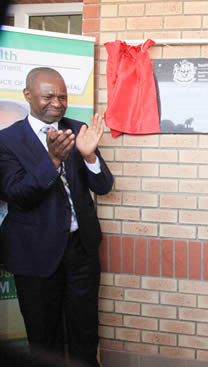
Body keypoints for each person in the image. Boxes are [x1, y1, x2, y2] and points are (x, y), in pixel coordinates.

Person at [0, 67, 113, 367]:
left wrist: (89, 156)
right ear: (27, 95)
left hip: (81, 250)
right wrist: (52, 161)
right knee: (43, 335)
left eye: (62, 96)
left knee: (84, 332)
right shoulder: (7, 140)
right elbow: (16, 194)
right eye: (48, 95)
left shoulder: (78, 129)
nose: (58, 102)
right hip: (34, 253)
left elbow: (104, 186)